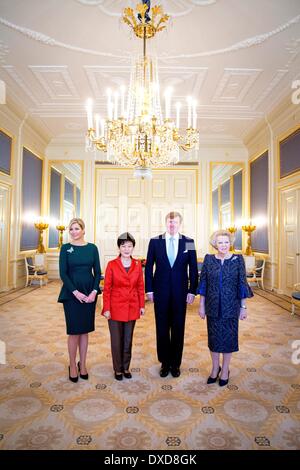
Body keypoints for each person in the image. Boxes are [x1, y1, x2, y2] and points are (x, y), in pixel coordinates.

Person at [145, 212, 198, 378]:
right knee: (161, 328)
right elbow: (148, 268)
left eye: (175, 222)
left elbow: (193, 268)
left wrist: (192, 291)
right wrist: (150, 289)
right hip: (160, 292)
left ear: (180, 223)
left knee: (178, 328)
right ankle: (165, 362)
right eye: (169, 222)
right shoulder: (155, 241)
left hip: (181, 293)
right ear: (165, 223)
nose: (172, 225)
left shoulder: (189, 242)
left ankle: (176, 364)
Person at [198, 230, 253, 386]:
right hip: (212, 306)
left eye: (226, 242)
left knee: (228, 339)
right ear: (215, 244)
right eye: (220, 242)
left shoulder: (238, 260)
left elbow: (242, 283)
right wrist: (201, 305)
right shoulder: (209, 260)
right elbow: (204, 284)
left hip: (231, 306)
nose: (223, 245)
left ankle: (225, 369)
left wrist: (243, 307)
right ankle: (215, 368)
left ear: (230, 244)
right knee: (214, 338)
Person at [58, 218, 101, 382]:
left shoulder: (92, 248)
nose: (74, 232)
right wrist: (75, 292)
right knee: (74, 331)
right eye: (71, 229)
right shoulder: (66, 248)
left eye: (77, 229)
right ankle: (72, 365)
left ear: (83, 230)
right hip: (71, 294)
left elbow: (97, 272)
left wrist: (94, 291)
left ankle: (82, 364)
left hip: (89, 294)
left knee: (85, 331)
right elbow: (63, 273)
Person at [102, 232, 145, 381]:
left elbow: (140, 286)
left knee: (128, 339)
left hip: (132, 307)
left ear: (133, 247)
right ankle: (117, 368)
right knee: (116, 340)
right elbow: (106, 288)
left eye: (129, 246)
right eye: (123, 246)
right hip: (114, 308)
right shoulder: (112, 265)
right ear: (119, 247)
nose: (126, 249)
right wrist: (106, 308)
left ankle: (126, 367)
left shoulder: (137, 264)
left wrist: (142, 305)